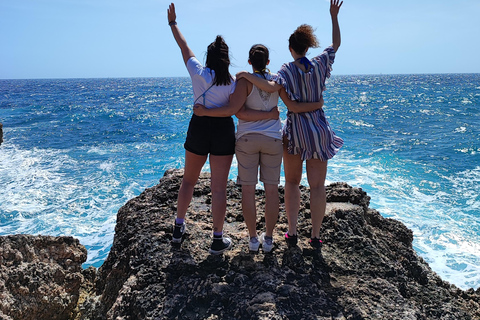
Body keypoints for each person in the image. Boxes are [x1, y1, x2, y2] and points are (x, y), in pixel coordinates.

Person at [194, 44, 323, 252]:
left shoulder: (244, 81)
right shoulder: (277, 80)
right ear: (268, 62)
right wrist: (313, 105)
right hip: (272, 139)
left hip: (247, 140)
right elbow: (291, 106)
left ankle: (253, 239)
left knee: (248, 190)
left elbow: (239, 113)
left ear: (249, 62)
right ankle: (269, 239)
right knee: (272, 190)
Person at [236, 0, 344, 249]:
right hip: (318, 130)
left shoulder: (285, 70)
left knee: (293, 183)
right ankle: (315, 236)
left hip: (296, 132)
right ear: (307, 46)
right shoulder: (320, 63)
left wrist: (245, 75)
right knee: (317, 186)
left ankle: (293, 233)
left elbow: (274, 89)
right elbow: (336, 44)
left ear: (290, 47)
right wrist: (333, 16)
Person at [167, 3, 235, 254]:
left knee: (188, 181)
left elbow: (184, 47)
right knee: (219, 188)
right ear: (227, 58)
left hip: (199, 125)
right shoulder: (234, 82)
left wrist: (173, 24)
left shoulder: (198, 73)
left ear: (208, 57)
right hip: (223, 130)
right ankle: (217, 239)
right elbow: (237, 108)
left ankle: (178, 228)